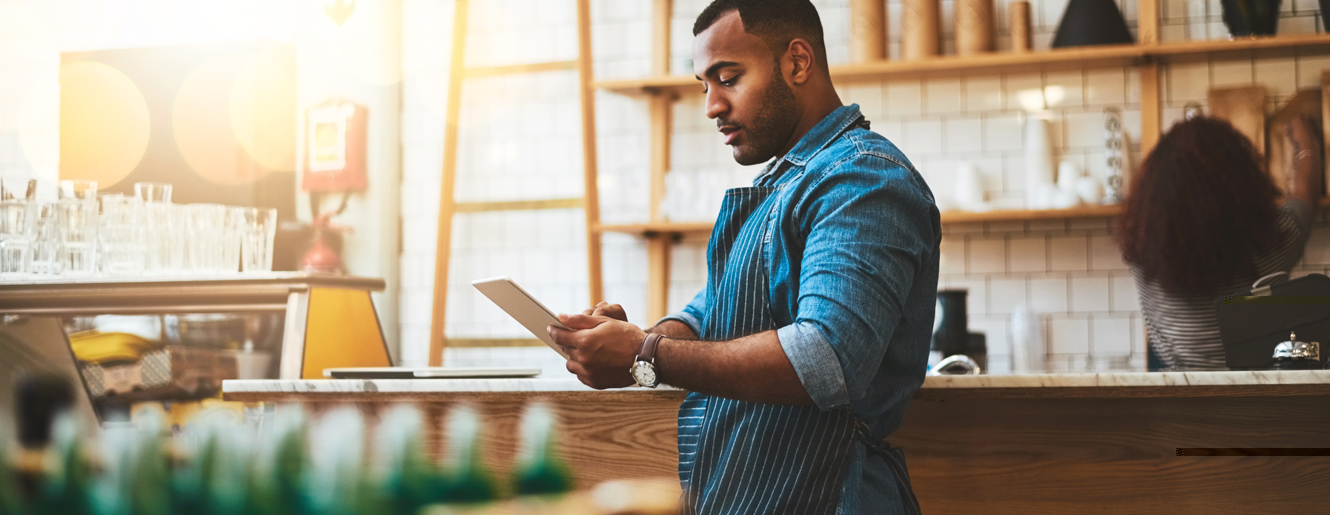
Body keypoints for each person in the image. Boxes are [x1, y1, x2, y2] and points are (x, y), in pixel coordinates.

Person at [547, 1, 939, 513]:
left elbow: (826, 359)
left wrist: (645, 355)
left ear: (798, 62)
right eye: (703, 86)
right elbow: (706, 316)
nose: (711, 106)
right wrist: (636, 342)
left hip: (830, 496)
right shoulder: (784, 185)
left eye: (727, 78)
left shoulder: (862, 179)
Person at [1118, 116, 1324, 370]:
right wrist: (1308, 145)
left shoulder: (1144, 258)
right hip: (1251, 401)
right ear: (1241, 185)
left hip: (1176, 402)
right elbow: (1306, 194)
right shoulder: (1274, 245)